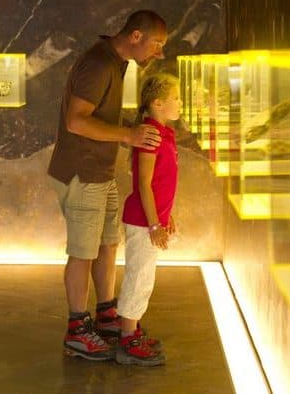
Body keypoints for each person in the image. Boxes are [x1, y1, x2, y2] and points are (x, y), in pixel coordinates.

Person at [48, 10, 168, 361]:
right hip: (82, 173)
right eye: (156, 43)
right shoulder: (100, 64)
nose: (159, 52)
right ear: (135, 36)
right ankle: (77, 329)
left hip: (99, 171)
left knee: (106, 245)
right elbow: (76, 121)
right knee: (83, 252)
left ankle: (105, 313)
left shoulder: (117, 63)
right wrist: (129, 135)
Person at [116, 73, 182, 366]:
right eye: (176, 98)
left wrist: (167, 216)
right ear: (158, 103)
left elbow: (162, 183)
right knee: (139, 276)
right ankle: (127, 339)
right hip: (143, 221)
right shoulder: (151, 134)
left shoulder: (165, 132)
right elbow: (143, 183)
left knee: (145, 277)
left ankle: (133, 329)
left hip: (152, 219)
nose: (180, 103)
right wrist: (155, 224)